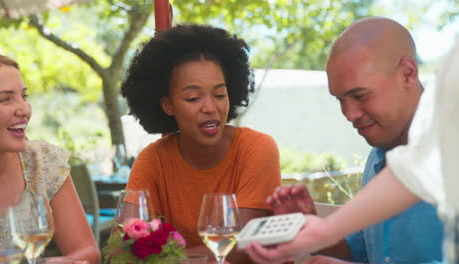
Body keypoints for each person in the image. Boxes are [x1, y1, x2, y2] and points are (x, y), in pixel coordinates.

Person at [244, 35, 459, 264]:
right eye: (340, 100)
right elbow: (365, 253)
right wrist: (316, 228)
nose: (349, 114)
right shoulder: (377, 159)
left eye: (360, 96)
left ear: (407, 74)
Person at [121, 24, 281, 263]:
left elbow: (242, 248)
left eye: (219, 95)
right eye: (193, 98)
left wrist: (164, 258)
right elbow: (123, 247)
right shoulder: (152, 160)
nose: (210, 107)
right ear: (168, 106)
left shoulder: (257, 148)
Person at [0, 53, 100, 263]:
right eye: (5, 99)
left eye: (24, 96)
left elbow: (88, 251)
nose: (24, 110)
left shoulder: (42, 162)